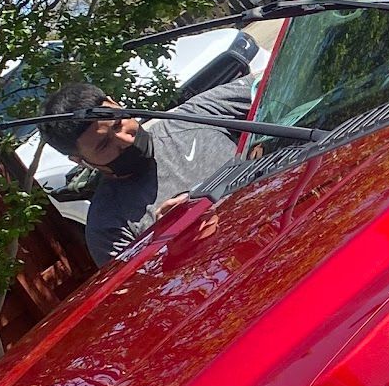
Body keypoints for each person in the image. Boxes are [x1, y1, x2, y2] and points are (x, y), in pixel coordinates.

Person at [40, 73, 260, 267]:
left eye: (118, 124)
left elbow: (276, 81)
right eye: (104, 145)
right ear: (80, 160)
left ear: (114, 103)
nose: (125, 140)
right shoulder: (109, 227)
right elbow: (150, 296)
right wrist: (168, 251)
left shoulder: (194, 117)